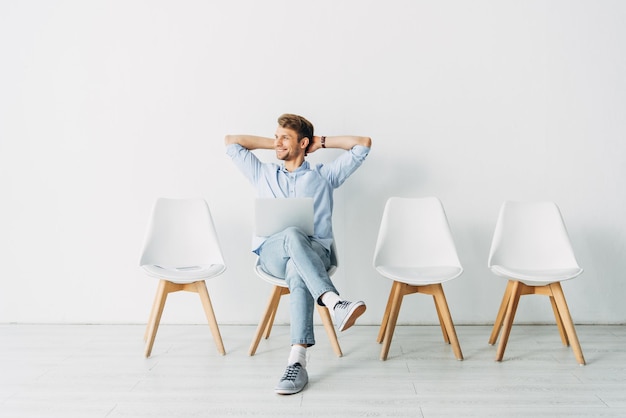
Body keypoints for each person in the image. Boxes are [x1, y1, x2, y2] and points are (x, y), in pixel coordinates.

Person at [225, 113, 372, 395]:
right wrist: (278, 145)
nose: (278, 141)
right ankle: (333, 300)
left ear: (303, 143)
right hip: (271, 253)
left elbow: (363, 145)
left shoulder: (324, 176)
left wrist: (321, 142)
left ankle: (297, 362)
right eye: (276, 135)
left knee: (298, 269)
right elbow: (232, 142)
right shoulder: (262, 173)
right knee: (292, 234)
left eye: (285, 137)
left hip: (313, 252)